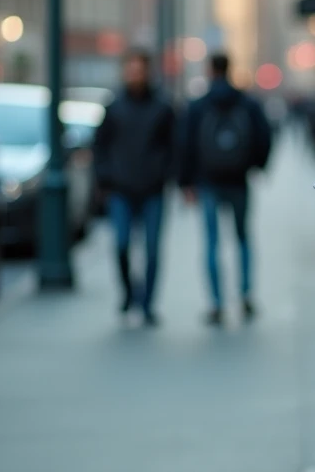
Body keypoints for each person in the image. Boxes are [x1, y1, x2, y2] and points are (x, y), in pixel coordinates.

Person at [178, 52, 272, 325]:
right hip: (238, 180)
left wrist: (186, 182)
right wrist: (256, 166)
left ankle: (216, 303)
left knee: (211, 242)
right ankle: (245, 295)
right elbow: (264, 136)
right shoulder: (247, 102)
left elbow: (185, 144)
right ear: (230, 69)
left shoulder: (198, 105)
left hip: (208, 182)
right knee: (242, 238)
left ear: (210, 70)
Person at [93, 49, 176, 327]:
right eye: (130, 70)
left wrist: (165, 174)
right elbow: (100, 146)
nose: (135, 75)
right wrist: (104, 178)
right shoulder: (114, 106)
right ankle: (129, 293)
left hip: (152, 190)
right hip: (121, 190)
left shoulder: (162, 107)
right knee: (121, 245)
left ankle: (148, 303)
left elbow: (173, 145)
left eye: (139, 70)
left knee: (152, 250)